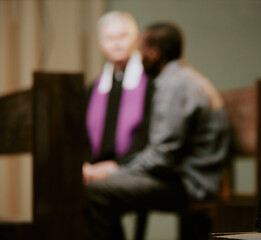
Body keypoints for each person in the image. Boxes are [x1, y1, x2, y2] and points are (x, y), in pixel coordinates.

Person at [83, 21, 229, 240]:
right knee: (100, 189)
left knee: (94, 192)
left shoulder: (175, 85)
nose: (139, 57)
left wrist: (115, 171)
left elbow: (163, 155)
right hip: (186, 176)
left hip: (190, 183)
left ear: (153, 54)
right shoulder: (181, 78)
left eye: (141, 50)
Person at [83, 11, 151, 184]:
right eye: (110, 38)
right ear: (100, 44)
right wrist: (87, 166)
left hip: (133, 166)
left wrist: (118, 166)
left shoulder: (150, 82)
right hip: (95, 166)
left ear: (136, 39)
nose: (117, 43)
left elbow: (148, 134)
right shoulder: (94, 88)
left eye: (123, 36)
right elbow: (83, 135)